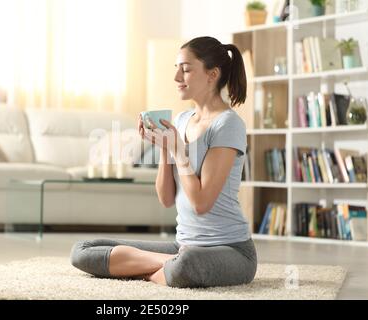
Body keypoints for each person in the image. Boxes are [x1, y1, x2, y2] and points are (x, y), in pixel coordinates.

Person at [70, 36, 257, 288]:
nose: (177, 77)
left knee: (187, 264)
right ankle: (163, 266)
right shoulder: (180, 121)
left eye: (186, 69)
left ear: (212, 74)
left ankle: (145, 267)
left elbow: (201, 203)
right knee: (83, 250)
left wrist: (179, 152)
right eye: (176, 69)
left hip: (230, 250)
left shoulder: (228, 124)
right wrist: (163, 149)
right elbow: (167, 198)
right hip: (182, 244)